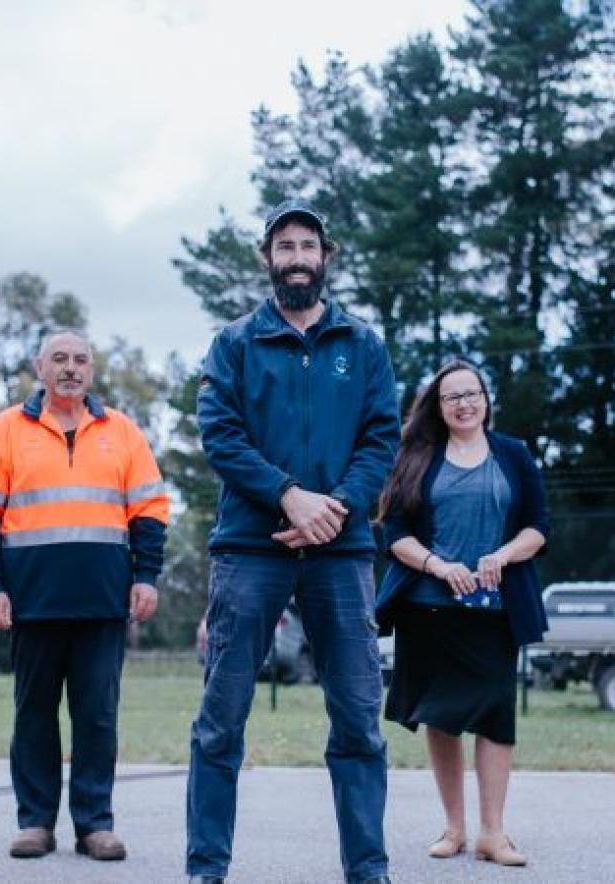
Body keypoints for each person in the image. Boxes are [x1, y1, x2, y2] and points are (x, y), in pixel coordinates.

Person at [186, 198, 400, 884]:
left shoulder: (362, 345)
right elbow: (220, 435)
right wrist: (287, 494)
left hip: (340, 555)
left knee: (361, 723)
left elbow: (381, 439)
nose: (298, 257)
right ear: (268, 259)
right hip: (251, 550)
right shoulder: (234, 344)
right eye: (286, 247)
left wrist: (334, 508)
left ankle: (368, 870)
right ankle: (205, 870)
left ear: (326, 256)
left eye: (309, 244)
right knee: (221, 721)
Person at [0, 329, 169, 863]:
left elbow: (150, 511)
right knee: (34, 713)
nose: (70, 368)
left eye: (79, 359)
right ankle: (35, 823)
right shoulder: (4, 431)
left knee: (97, 715)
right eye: (59, 359)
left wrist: (146, 576)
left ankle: (95, 825)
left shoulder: (122, 432)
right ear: (39, 367)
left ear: (91, 370)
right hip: (31, 602)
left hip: (102, 601)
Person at [374, 359, 550, 867]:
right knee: (441, 716)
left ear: (485, 399)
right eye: (453, 397)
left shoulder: (513, 454)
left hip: (495, 612)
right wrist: (438, 565)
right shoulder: (416, 456)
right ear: (439, 405)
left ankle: (493, 833)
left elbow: (539, 526)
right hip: (429, 610)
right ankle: (454, 828)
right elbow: (396, 535)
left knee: (495, 717)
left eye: (473, 393)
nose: (465, 403)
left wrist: (503, 554)